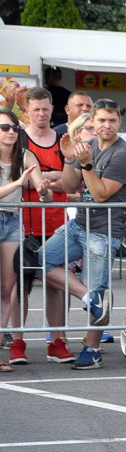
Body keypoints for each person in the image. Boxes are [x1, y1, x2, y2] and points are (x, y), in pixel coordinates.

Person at [46, 98, 126, 370]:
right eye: (101, 120)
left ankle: (92, 349)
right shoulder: (90, 146)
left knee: (99, 287)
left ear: (119, 122)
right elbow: (69, 184)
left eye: (112, 120)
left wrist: (86, 165)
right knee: (39, 261)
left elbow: (99, 195)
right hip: (79, 225)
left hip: (103, 230)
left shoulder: (123, 154)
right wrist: (69, 159)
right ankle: (90, 300)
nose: (106, 125)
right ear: (93, 123)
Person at [10, 87, 72, 365]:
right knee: (19, 285)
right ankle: (18, 341)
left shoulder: (62, 140)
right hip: (23, 223)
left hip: (56, 221)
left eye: (46, 108)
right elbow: (15, 177)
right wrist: (43, 177)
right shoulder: (17, 139)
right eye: (36, 109)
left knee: (55, 286)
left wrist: (44, 177)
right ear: (27, 111)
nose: (42, 114)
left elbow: (71, 182)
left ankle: (56, 341)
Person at [0, 108, 43, 369]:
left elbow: (41, 188)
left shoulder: (25, 155)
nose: (11, 132)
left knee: (7, 288)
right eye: (4, 128)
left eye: (15, 128)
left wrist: (44, 189)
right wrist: (18, 184)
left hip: (12, 221)